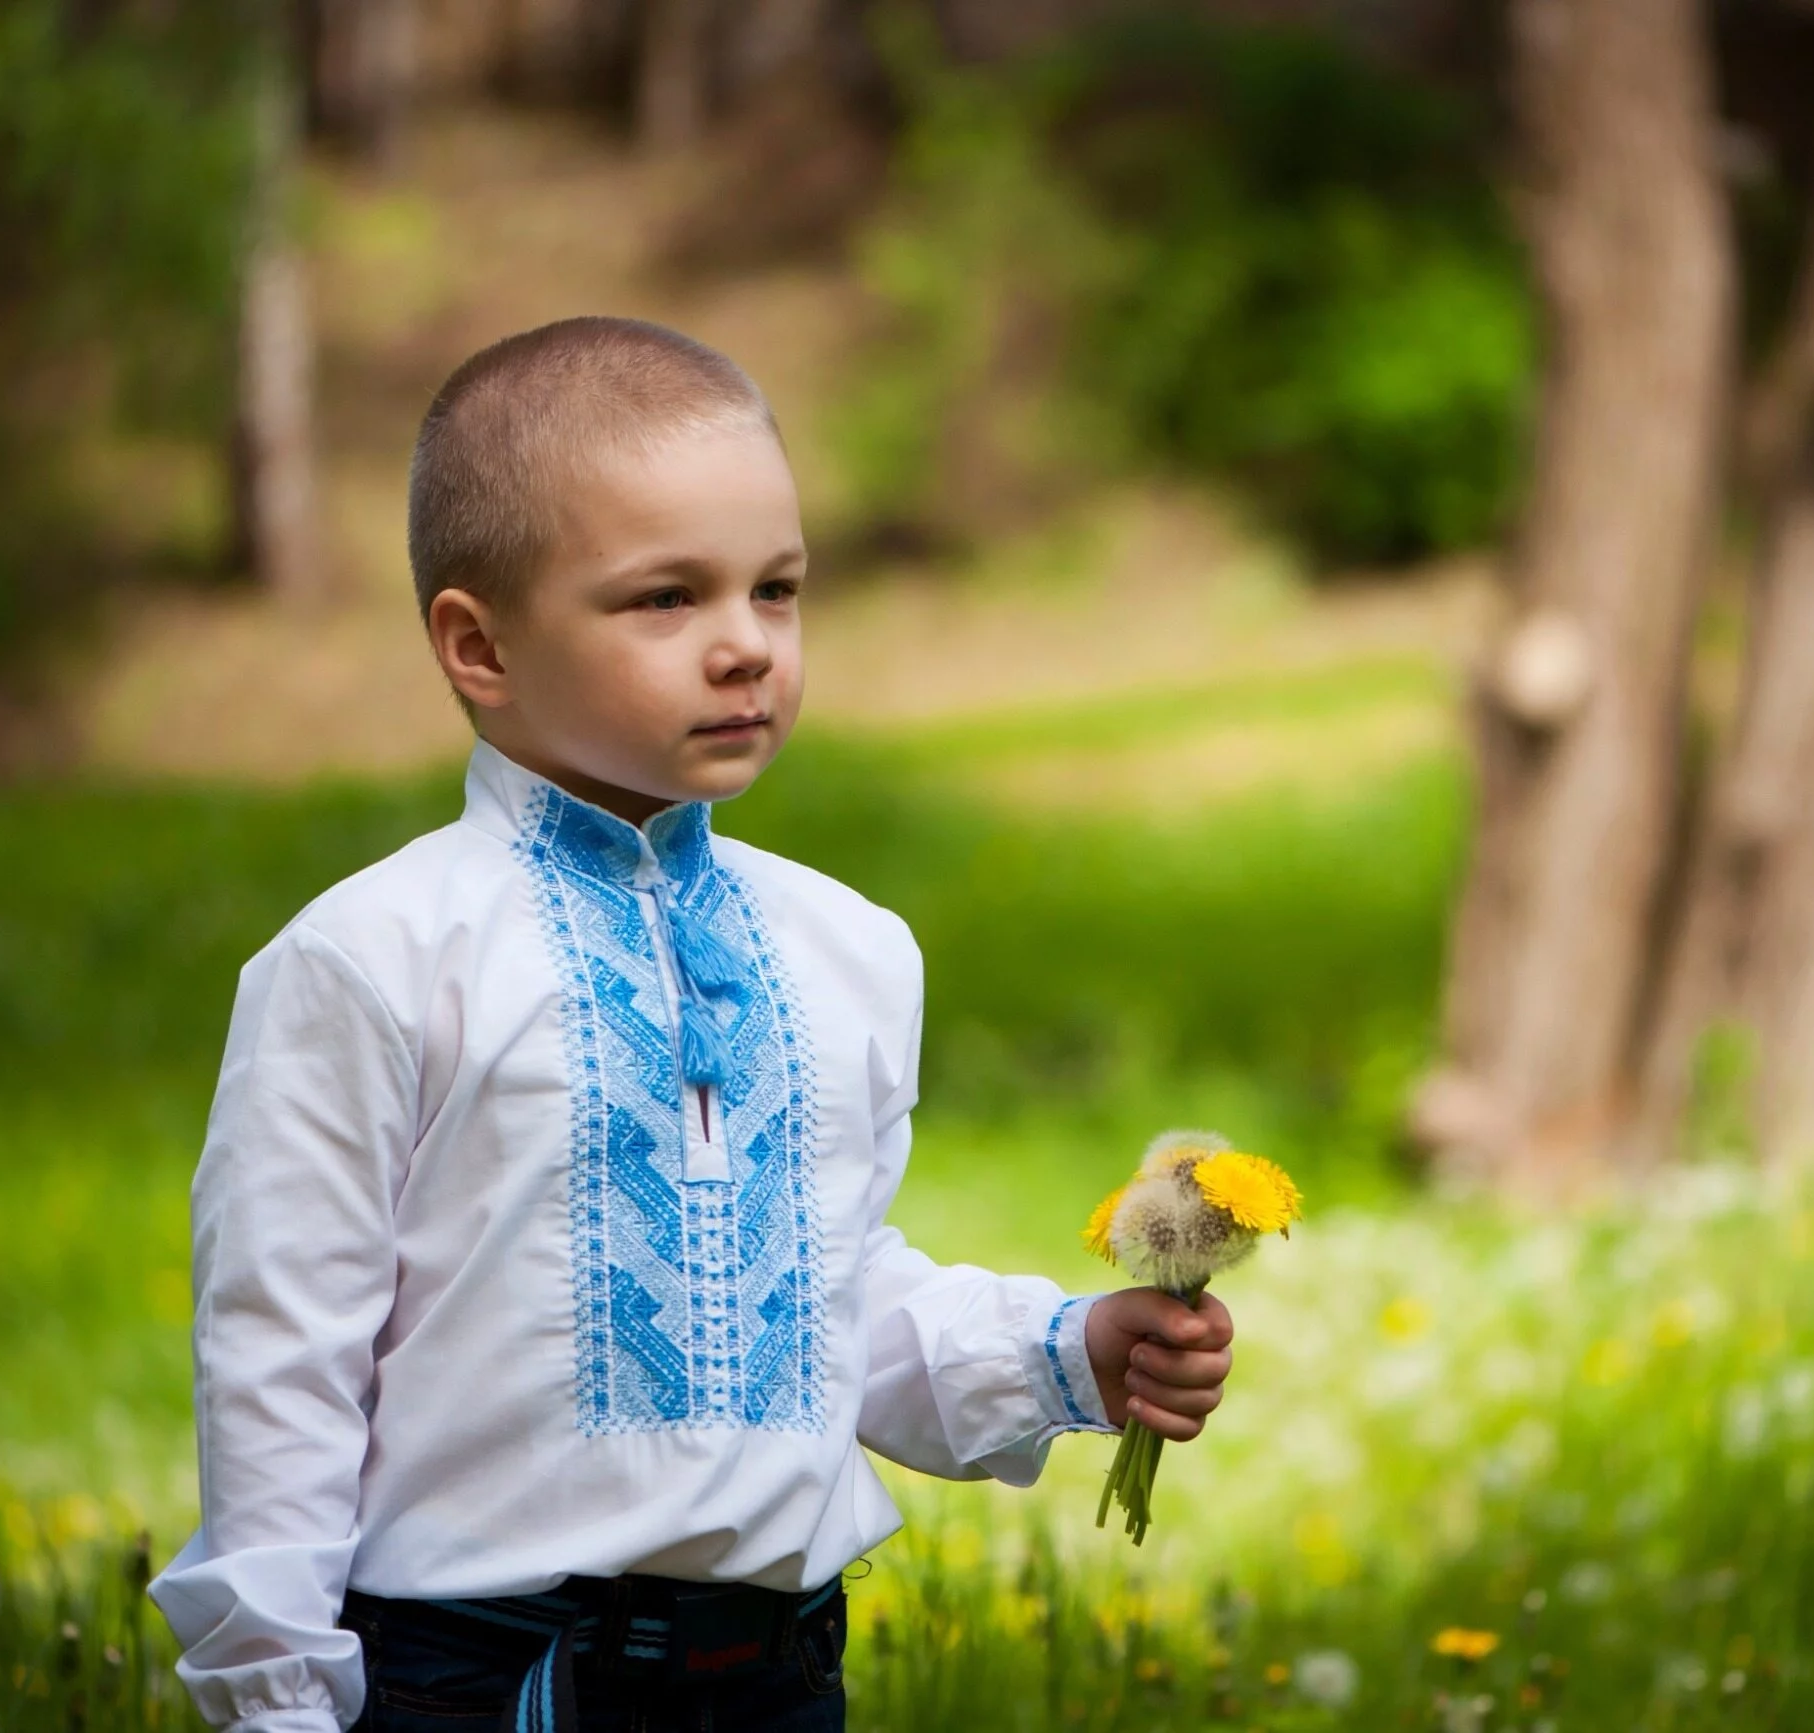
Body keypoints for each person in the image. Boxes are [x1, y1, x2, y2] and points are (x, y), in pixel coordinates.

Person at [149, 316, 1237, 1733]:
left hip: (775, 1676)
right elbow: (280, 1359)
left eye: (775, 591)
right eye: (665, 600)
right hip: (481, 1677)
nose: (744, 648)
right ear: (478, 646)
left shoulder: (846, 951)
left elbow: (823, 1303)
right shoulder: (375, 960)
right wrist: (278, 1699)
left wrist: (1059, 1353)